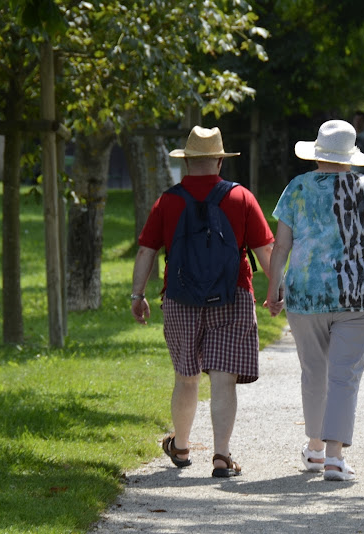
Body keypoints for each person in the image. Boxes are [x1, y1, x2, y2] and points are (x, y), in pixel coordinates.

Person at [130, 125, 275, 478]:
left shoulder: (168, 200)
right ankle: (221, 456)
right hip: (233, 294)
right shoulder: (242, 197)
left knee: (187, 377)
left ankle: (180, 447)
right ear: (220, 162)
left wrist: (138, 294)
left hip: (181, 298)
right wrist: (276, 290)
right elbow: (264, 250)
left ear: (187, 162)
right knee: (223, 379)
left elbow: (147, 250)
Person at [265, 120, 364, 481]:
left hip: (307, 295)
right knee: (344, 375)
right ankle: (335, 457)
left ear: (318, 153)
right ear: (350, 156)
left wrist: (274, 288)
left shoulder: (297, 188)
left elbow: (281, 246)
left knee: (314, 371)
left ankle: (314, 448)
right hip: (359, 294)